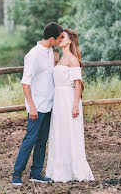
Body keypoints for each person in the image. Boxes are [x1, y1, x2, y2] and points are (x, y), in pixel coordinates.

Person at [12, 22, 63, 185]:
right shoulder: (33, 55)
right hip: (37, 106)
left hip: (48, 105)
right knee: (30, 139)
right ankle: (17, 174)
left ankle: (36, 172)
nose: (61, 41)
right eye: (60, 38)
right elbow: (25, 83)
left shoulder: (50, 52)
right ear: (52, 38)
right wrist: (32, 106)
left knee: (42, 141)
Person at [46, 28, 95, 182]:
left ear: (70, 41)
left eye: (63, 37)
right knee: (59, 133)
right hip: (59, 99)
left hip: (69, 99)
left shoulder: (73, 60)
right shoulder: (59, 58)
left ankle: (74, 169)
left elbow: (78, 85)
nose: (60, 39)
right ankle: (59, 169)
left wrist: (75, 105)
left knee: (70, 132)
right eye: (59, 37)